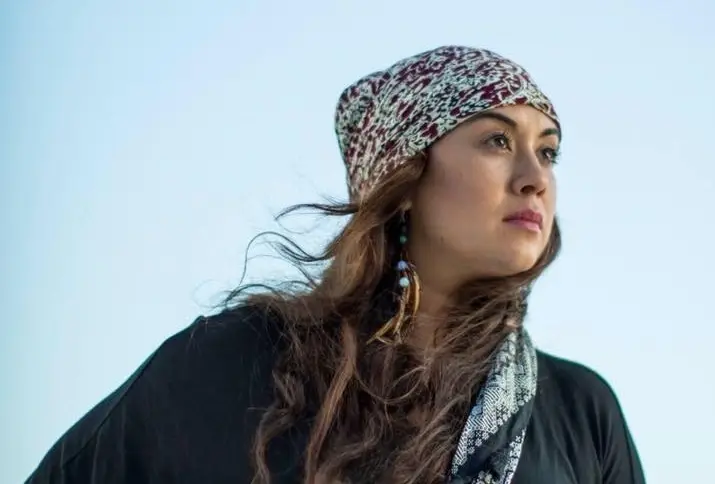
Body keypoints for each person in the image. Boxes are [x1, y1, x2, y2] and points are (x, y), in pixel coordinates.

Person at [27, 45, 645, 484]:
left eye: (549, 151)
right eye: (497, 141)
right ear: (404, 178)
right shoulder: (237, 364)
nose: (536, 178)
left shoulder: (581, 413)